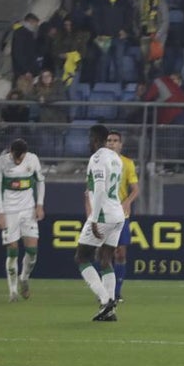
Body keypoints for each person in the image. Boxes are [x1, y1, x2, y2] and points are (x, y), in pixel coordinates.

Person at [75, 125, 125, 322]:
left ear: (96, 139)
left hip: (103, 214)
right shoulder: (116, 158)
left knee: (82, 258)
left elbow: (100, 188)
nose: (88, 141)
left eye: (90, 138)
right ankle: (110, 310)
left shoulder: (97, 158)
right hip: (118, 213)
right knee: (105, 259)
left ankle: (106, 301)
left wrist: (94, 218)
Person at [0, 139, 45, 302]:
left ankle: (24, 278)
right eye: (15, 157)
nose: (17, 161)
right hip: (9, 211)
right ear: (10, 152)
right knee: (12, 251)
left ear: (25, 154)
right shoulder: (1, 162)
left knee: (32, 252)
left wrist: (39, 205)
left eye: (20, 158)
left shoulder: (32, 159)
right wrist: (0, 213)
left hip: (28, 210)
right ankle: (13, 292)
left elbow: (40, 182)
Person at [105, 130, 139, 302]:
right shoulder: (99, 162)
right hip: (103, 214)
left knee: (120, 254)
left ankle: (116, 292)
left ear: (121, 144)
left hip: (120, 215)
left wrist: (127, 202)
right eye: (109, 140)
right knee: (104, 254)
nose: (112, 143)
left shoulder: (127, 163)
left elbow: (135, 189)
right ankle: (105, 291)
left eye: (115, 140)